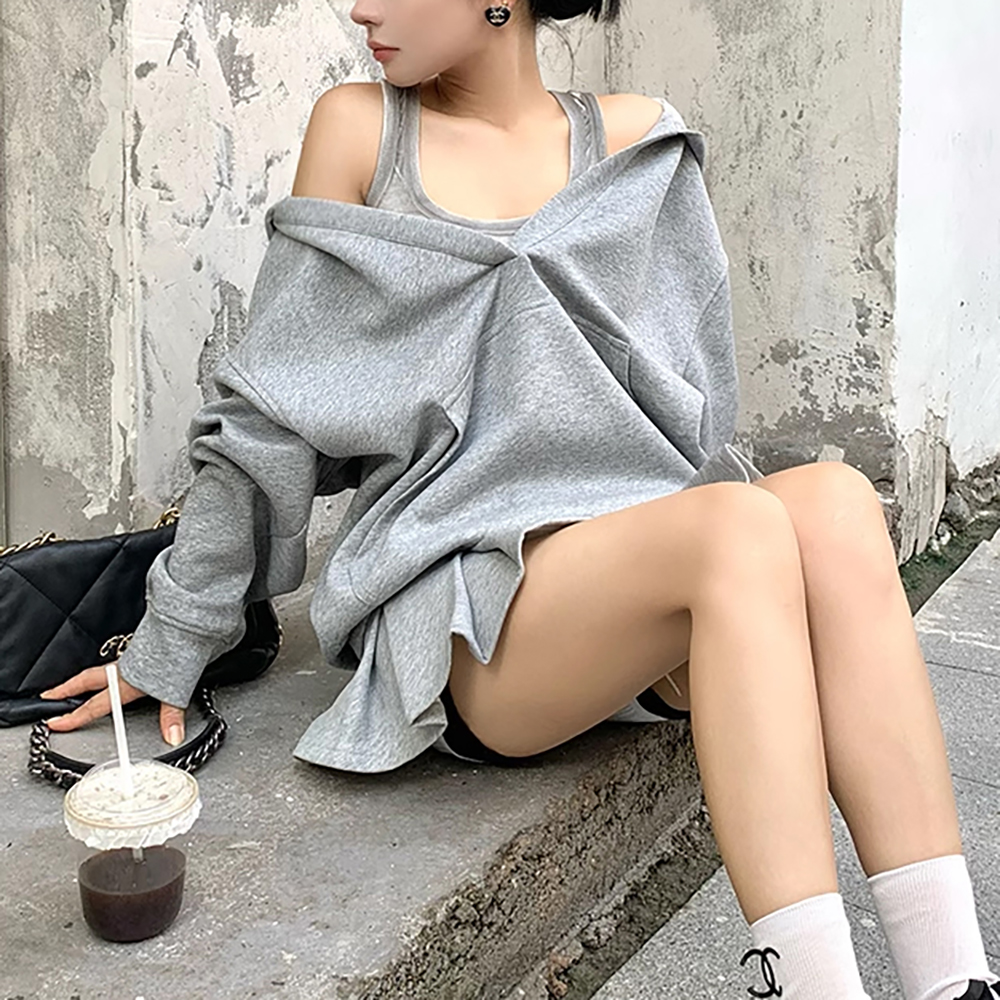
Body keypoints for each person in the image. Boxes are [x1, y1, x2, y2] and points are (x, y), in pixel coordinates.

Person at [38, 1, 999, 998]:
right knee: (736, 527)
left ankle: (955, 980)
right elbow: (269, 414)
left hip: (642, 588)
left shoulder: (639, 144)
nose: (361, 6)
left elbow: (695, 404)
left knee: (836, 502)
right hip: (474, 611)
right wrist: (175, 637)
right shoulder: (361, 131)